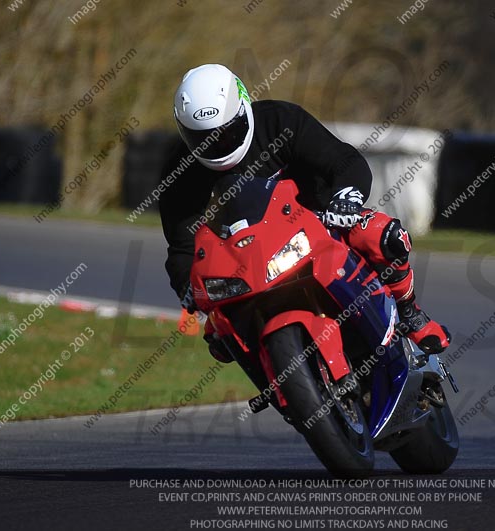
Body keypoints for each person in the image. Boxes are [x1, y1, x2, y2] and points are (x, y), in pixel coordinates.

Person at [159, 63, 450, 360]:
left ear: (243, 108)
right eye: (204, 139)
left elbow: (344, 161)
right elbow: (183, 248)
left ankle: (409, 312)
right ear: (185, 133)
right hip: (245, 260)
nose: (218, 145)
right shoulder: (179, 172)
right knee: (220, 337)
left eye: (227, 133)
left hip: (320, 224)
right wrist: (188, 288)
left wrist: (346, 198)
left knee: (383, 236)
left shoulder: (280, 121)